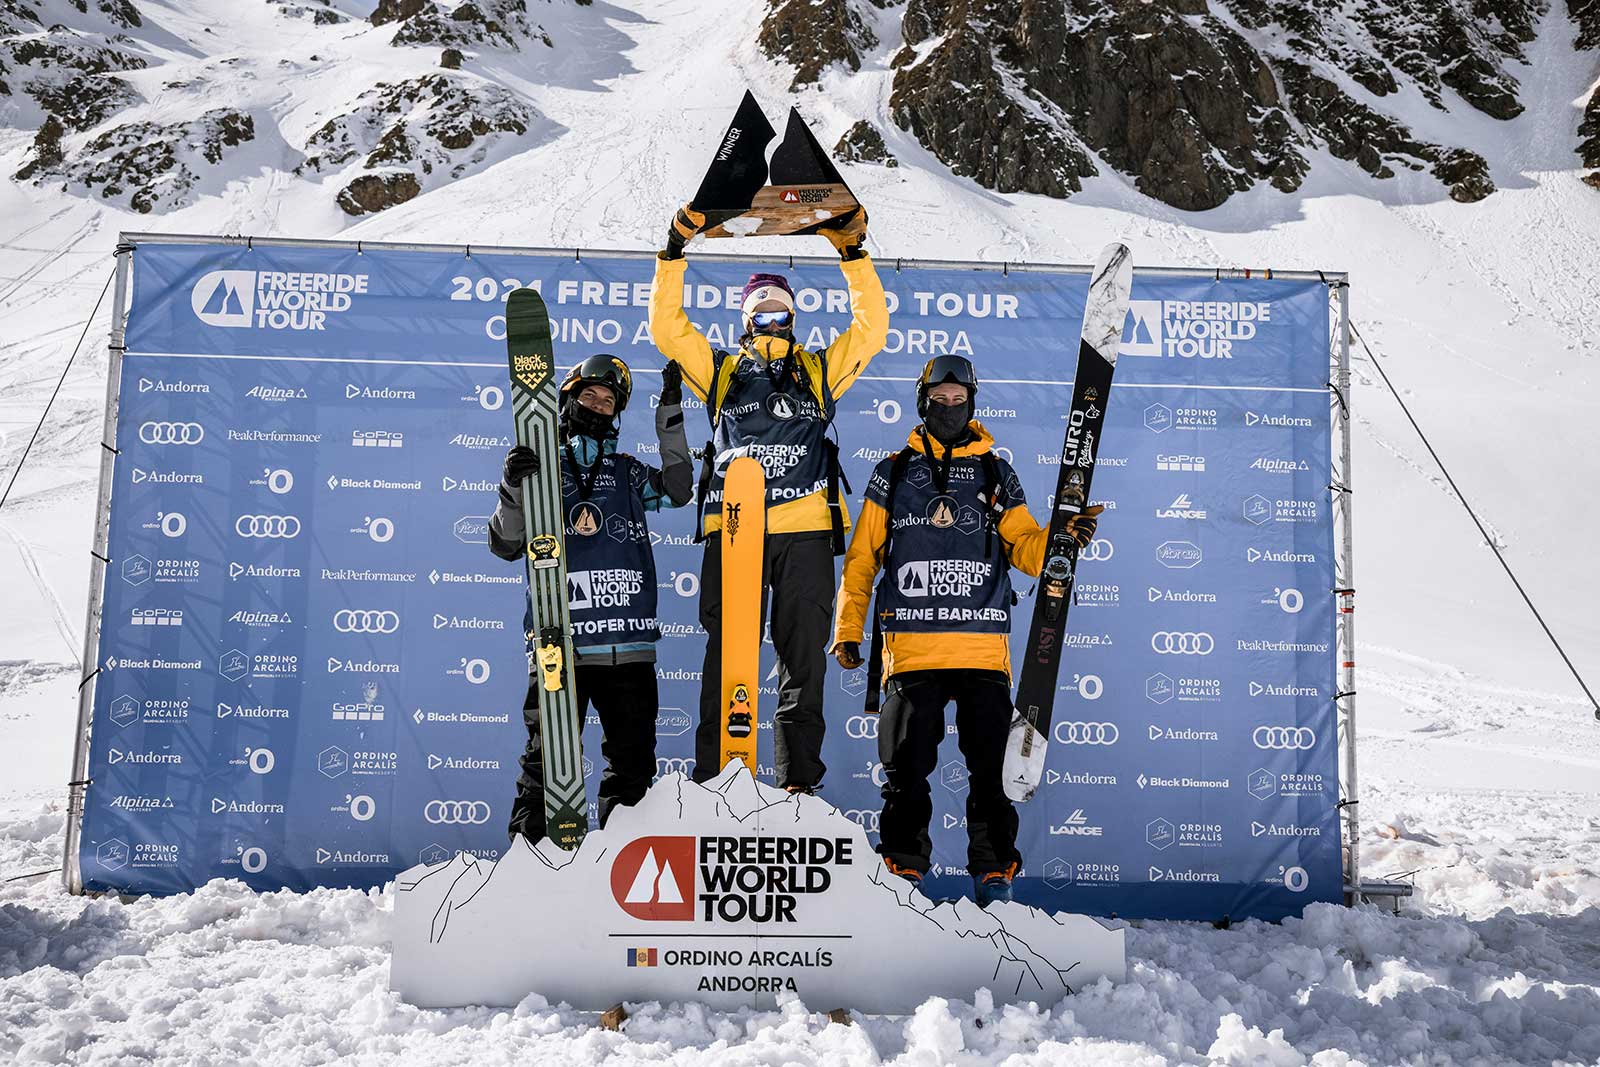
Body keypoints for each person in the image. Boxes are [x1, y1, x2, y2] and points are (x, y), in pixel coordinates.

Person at [829, 356, 1104, 905]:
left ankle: (994, 873)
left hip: (982, 651)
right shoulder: (894, 471)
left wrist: (1061, 539)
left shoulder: (996, 472)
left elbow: (1025, 549)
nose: (949, 408)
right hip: (911, 650)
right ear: (922, 400)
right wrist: (847, 627)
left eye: (959, 400)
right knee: (905, 772)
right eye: (940, 399)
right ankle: (903, 872)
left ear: (972, 403)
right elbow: (862, 558)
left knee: (992, 774)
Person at [649, 202, 888, 793]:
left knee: (801, 663)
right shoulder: (723, 371)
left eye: (782, 312)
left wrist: (852, 255)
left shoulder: (817, 370)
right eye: (762, 313)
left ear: (795, 319)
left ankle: (798, 786)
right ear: (745, 322)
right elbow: (668, 329)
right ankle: (714, 781)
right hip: (736, 529)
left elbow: (872, 331)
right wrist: (673, 252)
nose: (773, 321)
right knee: (726, 658)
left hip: (804, 531)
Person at [489, 354, 693, 842]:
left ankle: (619, 873)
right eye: (590, 396)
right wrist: (513, 488)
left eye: (609, 402)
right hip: (560, 644)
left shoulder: (627, 474)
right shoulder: (542, 471)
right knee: (545, 763)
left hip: (628, 648)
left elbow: (680, 489)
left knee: (632, 769)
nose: (600, 407)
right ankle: (529, 871)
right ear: (567, 400)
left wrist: (669, 414)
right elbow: (506, 544)